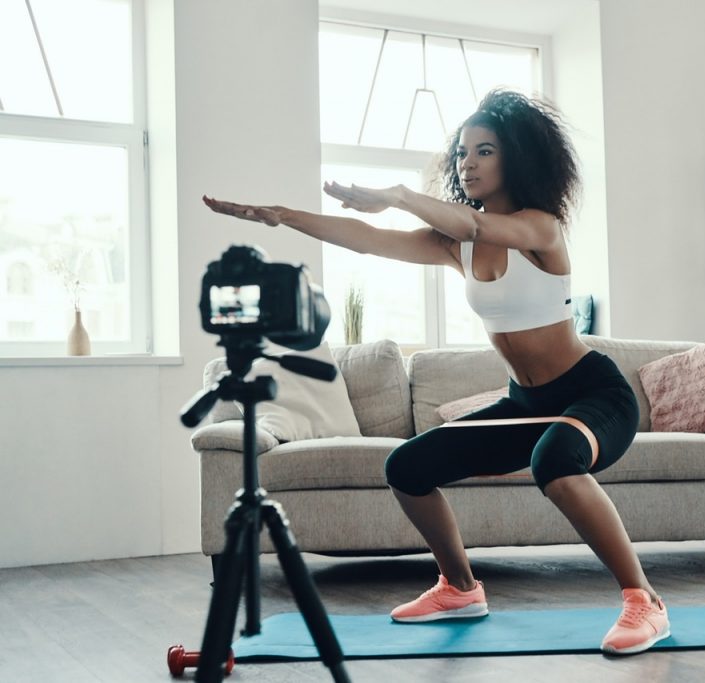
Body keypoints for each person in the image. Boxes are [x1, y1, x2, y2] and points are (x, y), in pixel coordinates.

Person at [203, 89, 670, 655]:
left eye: (484, 151)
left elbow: (475, 227)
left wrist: (400, 194)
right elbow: (371, 241)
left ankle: (644, 600)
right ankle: (460, 588)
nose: (467, 163)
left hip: (593, 396)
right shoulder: (457, 245)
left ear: (516, 158)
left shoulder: (540, 229)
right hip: (524, 402)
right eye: (462, 153)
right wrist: (284, 217)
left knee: (556, 461)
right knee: (408, 465)